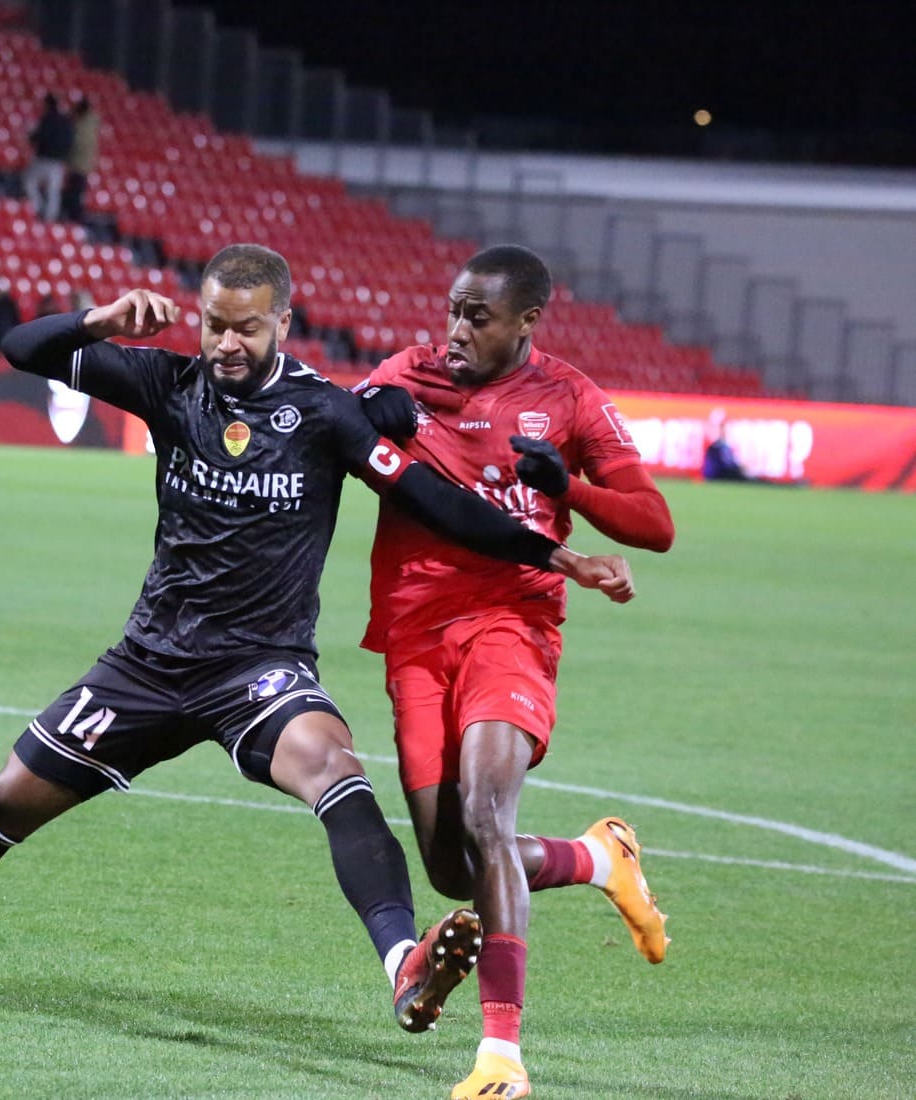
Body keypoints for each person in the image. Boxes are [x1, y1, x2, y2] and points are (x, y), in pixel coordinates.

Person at [0, 245, 636, 1055]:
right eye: (214, 323)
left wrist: (553, 554)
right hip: (147, 663)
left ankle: (405, 963)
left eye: (246, 327)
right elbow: (20, 348)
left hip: (259, 668)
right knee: (0, 806)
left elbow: (437, 500)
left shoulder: (325, 414)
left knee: (335, 771)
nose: (226, 342)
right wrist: (101, 321)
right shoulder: (166, 382)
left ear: (282, 324)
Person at [352, 244, 675, 1100]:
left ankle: (502, 1056)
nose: (456, 330)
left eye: (478, 316)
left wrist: (570, 484)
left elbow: (654, 523)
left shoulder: (570, 398)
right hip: (414, 634)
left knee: (488, 816)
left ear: (527, 321)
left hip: (513, 622)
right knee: (452, 867)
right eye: (453, 309)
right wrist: (367, 416)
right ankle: (598, 859)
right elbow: (339, 428)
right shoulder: (408, 373)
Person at [23, 93, 73, 222]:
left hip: (44, 159)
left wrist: (30, 137)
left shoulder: (47, 118)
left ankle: (38, 207)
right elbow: (70, 142)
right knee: (53, 190)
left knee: (29, 182)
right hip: (58, 162)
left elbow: (39, 137)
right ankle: (50, 217)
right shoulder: (66, 121)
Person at [63, 95, 99, 223]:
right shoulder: (90, 123)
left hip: (79, 165)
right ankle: (72, 218)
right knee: (75, 193)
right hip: (82, 165)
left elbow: (77, 145)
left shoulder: (83, 127)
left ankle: (74, 220)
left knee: (75, 195)